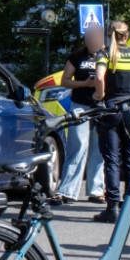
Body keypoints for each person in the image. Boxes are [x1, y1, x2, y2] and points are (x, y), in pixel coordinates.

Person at [91, 20, 130, 223]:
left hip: (110, 111)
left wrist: (100, 95)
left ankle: (112, 207)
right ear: (127, 35)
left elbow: (99, 78)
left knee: (111, 160)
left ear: (110, 34)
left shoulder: (105, 55)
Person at [49, 23, 106, 206]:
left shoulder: (108, 55)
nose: (92, 40)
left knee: (98, 150)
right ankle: (66, 191)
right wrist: (84, 84)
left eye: (95, 36)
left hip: (101, 106)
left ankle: (96, 191)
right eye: (89, 36)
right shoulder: (77, 56)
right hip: (80, 105)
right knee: (78, 147)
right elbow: (65, 81)